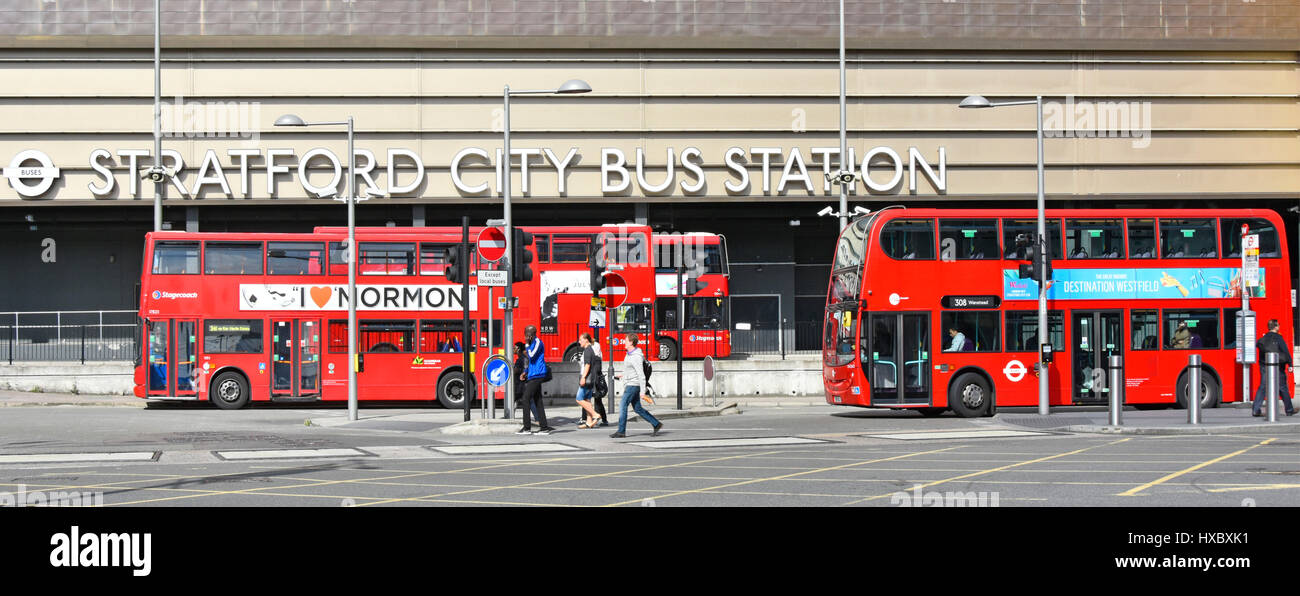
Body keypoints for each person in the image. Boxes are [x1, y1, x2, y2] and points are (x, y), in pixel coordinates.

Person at [610, 333, 662, 438]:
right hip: (630, 383)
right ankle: (656, 424)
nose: (624, 342)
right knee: (637, 408)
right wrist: (623, 375)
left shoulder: (636, 357)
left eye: (626, 340)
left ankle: (621, 431)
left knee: (623, 405)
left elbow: (641, 375)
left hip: (633, 385)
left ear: (631, 342)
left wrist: (642, 392)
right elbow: (630, 370)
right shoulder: (629, 354)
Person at [1252, 319, 1296, 417]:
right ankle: (1289, 410)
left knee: (1263, 387)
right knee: (1282, 387)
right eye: (1278, 325)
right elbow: (1285, 350)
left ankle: (1255, 409)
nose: (1279, 327)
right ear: (1276, 327)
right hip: (1278, 366)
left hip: (1264, 366)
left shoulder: (1263, 339)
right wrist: (1290, 364)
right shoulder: (1278, 338)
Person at [517, 326, 554, 435]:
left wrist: (527, 344)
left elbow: (532, 356)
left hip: (538, 374)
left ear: (531, 334)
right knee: (538, 400)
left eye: (526, 335)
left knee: (525, 398)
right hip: (533, 374)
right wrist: (526, 371)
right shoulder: (533, 342)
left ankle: (527, 428)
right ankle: (544, 427)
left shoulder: (538, 342)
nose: (525, 337)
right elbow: (531, 360)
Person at [574, 333, 606, 428]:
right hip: (591, 379)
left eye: (581, 340)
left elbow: (587, 365)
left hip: (587, 379)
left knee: (579, 399)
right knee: (587, 400)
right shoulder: (590, 349)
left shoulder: (587, 350)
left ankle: (595, 414)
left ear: (586, 340)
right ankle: (588, 421)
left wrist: (583, 377)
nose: (579, 342)